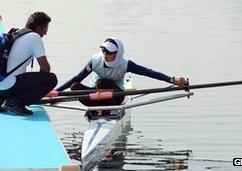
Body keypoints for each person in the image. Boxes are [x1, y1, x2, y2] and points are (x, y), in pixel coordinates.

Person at [56, 37, 187, 107]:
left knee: (102, 83)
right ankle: (97, 110)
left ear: (118, 53)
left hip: (116, 97)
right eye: (104, 51)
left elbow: (150, 72)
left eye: (109, 52)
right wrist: (57, 92)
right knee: (75, 86)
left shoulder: (126, 64)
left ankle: (109, 111)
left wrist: (172, 79)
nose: (105, 54)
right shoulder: (94, 61)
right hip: (95, 96)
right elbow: (76, 78)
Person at [0, 12, 57, 115]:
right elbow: (46, 69)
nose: (45, 33)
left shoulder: (16, 32)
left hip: (1, 84)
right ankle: (15, 103)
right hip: (9, 86)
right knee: (51, 79)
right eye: (45, 30)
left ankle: (2, 99)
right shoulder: (35, 37)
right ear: (39, 28)